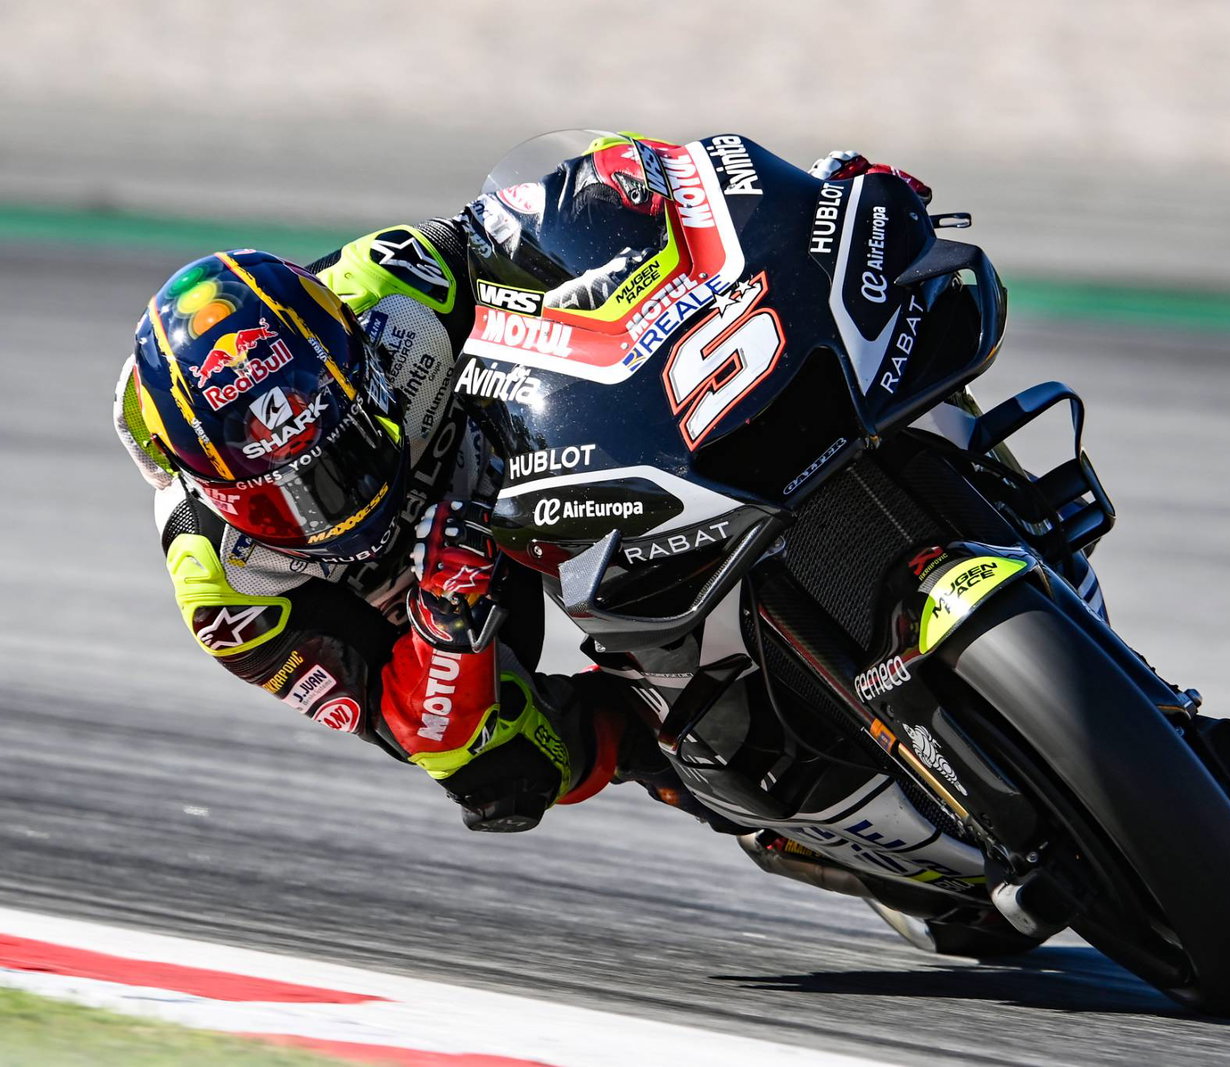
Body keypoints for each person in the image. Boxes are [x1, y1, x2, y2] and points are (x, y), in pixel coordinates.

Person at [113, 137, 932, 834]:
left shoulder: (390, 289)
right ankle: (691, 757)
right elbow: (406, 724)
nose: (332, 503)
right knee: (497, 773)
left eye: (344, 453)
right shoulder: (227, 592)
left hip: (521, 445)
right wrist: (442, 618)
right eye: (274, 499)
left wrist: (648, 189)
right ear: (210, 486)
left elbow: (541, 220)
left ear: (359, 359)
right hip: (437, 612)